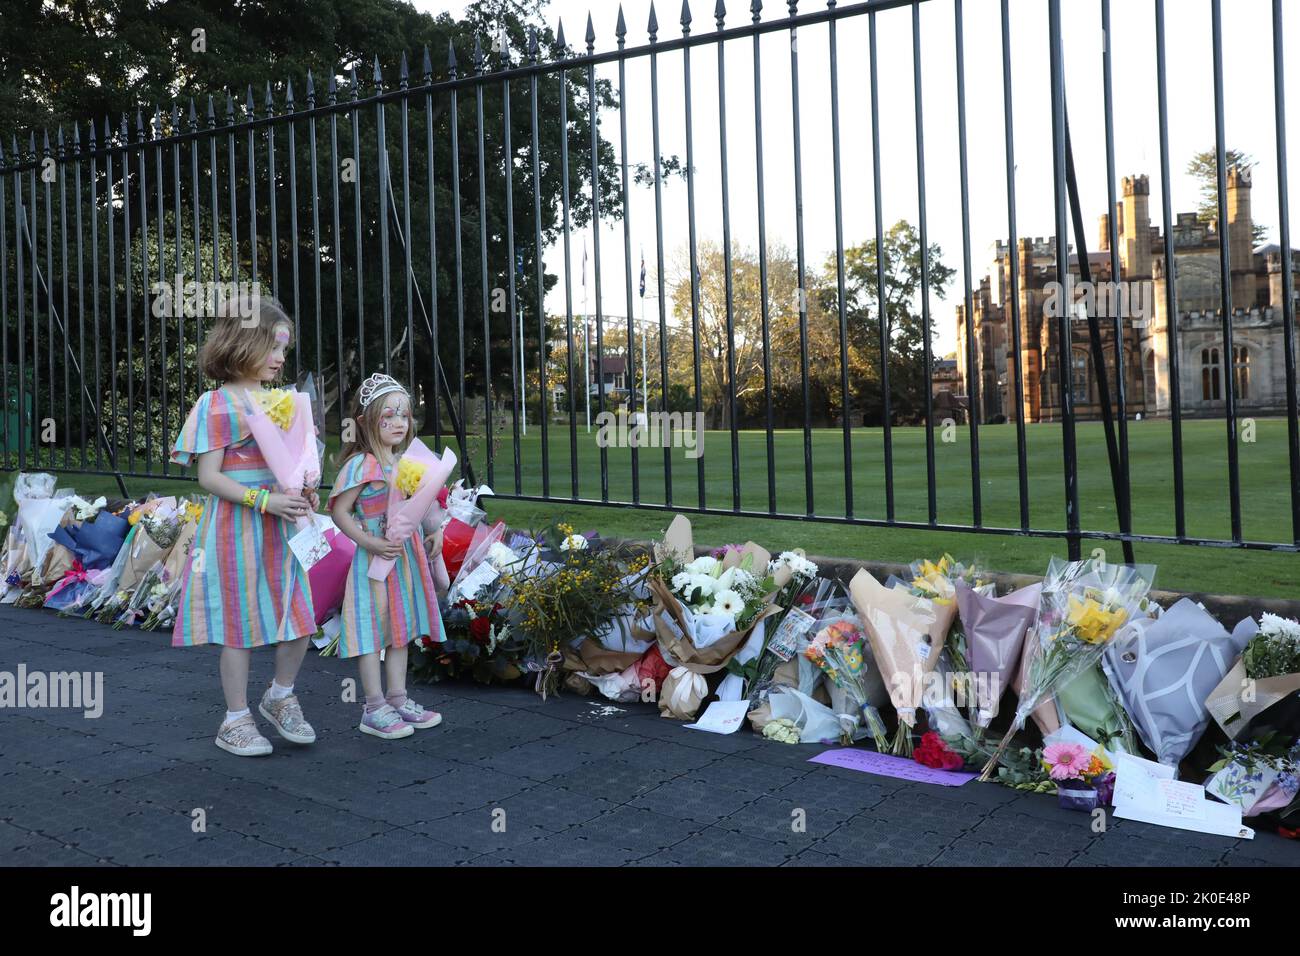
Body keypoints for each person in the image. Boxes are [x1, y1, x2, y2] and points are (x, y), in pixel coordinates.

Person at [170, 295, 319, 757]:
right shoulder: (215, 404)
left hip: (285, 526)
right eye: (272, 347)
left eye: (284, 350)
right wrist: (263, 499)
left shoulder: (284, 402)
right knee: (239, 624)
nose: (279, 359)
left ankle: (280, 695)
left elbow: (295, 463)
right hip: (237, 528)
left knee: (299, 616)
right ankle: (234, 719)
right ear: (241, 343)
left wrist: (304, 490)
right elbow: (208, 476)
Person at [328, 373, 445, 740]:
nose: (398, 423)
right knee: (371, 629)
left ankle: (398, 698)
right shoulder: (360, 466)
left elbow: (421, 503)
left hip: (404, 558)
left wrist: (435, 529)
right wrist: (369, 542)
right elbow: (339, 512)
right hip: (373, 559)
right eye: (388, 416)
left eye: (405, 416)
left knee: (400, 630)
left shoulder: (407, 463)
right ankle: (373, 707)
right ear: (365, 422)